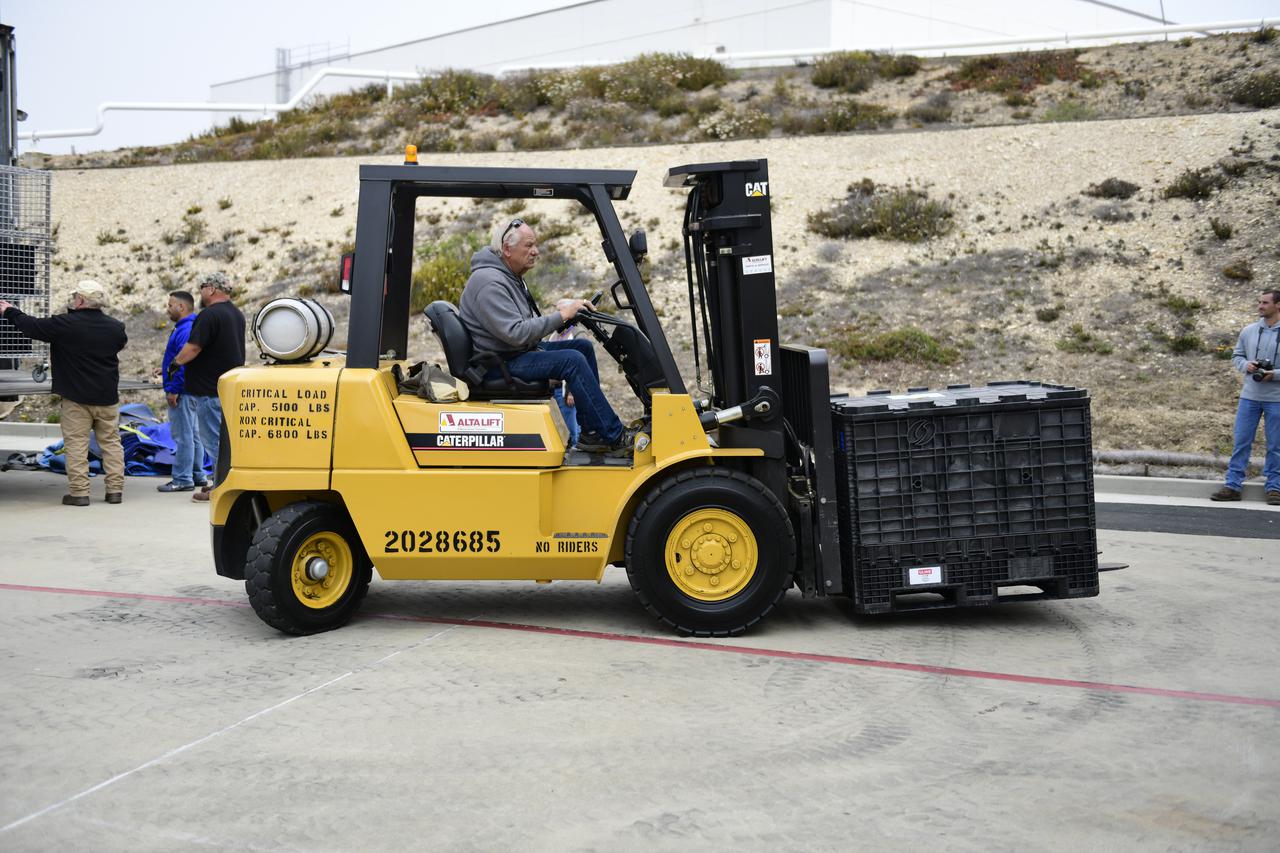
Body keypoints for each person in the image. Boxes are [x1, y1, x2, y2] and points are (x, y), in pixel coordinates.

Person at [458, 217, 637, 455]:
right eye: (529, 245)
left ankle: (592, 433)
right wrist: (562, 315)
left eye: (536, 245)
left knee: (582, 347)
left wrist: (571, 312)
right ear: (507, 249)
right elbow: (516, 332)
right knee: (571, 361)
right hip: (500, 363)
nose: (536, 251)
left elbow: (523, 327)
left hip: (512, 354)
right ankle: (614, 434)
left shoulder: (507, 276)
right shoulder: (489, 282)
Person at [0, 280, 127, 506]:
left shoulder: (66, 324)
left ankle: (79, 494)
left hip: (76, 399)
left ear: (80, 300)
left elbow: (31, 326)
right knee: (111, 444)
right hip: (108, 397)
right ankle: (115, 491)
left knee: (77, 445)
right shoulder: (116, 327)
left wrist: (9, 310)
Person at [168, 271, 245, 502]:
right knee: (222, 441)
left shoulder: (209, 315)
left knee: (213, 441)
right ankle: (218, 482)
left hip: (209, 390)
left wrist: (174, 363)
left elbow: (193, 347)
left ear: (211, 289)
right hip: (227, 388)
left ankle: (222, 488)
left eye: (202, 287)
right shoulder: (236, 314)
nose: (200, 292)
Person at [1211, 289, 1280, 505]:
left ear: (1278, 305)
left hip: (1277, 399)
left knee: (1276, 445)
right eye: (1259, 301)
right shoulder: (1249, 331)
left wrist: (1274, 375)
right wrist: (1246, 365)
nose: (1260, 306)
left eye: (1265, 302)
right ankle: (1232, 485)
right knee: (1241, 442)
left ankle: (1274, 488)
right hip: (1249, 397)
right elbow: (1237, 356)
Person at [154, 290, 206, 493]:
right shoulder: (188, 327)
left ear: (181, 307)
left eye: (170, 305)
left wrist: (173, 389)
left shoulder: (185, 330)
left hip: (182, 391)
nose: (168, 309)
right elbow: (177, 358)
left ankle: (183, 479)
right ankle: (197, 475)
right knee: (193, 435)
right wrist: (164, 369)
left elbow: (184, 363)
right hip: (189, 389)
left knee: (183, 436)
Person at [548, 299, 581, 447]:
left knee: (572, 426)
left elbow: (578, 367)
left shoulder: (576, 334)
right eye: (558, 310)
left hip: (566, 391)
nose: (559, 314)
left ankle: (576, 448)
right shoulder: (554, 335)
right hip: (553, 390)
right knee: (560, 425)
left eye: (562, 311)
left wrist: (572, 392)